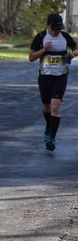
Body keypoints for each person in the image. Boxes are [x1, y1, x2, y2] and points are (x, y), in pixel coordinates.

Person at [29, 12, 78, 152]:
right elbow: (31, 57)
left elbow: (76, 47)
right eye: (54, 28)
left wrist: (72, 54)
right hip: (45, 76)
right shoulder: (40, 37)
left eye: (59, 27)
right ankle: (49, 126)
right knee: (46, 107)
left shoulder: (65, 36)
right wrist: (44, 50)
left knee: (55, 106)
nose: (57, 30)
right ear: (48, 25)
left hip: (60, 76)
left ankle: (51, 139)